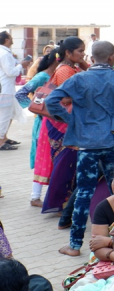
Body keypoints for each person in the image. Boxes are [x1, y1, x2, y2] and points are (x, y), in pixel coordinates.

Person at [46, 41, 114, 257]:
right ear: (112, 58)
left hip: (87, 144)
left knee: (84, 193)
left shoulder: (78, 78)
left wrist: (71, 120)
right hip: (113, 141)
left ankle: (74, 246)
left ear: (92, 58)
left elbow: (52, 100)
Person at [35, 37, 89, 221]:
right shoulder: (66, 70)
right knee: (65, 164)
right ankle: (60, 204)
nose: (83, 54)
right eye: (80, 51)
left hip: (66, 121)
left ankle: (66, 203)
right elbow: (65, 98)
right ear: (68, 52)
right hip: (63, 122)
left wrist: (82, 63)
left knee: (69, 163)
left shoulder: (72, 68)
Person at [15, 50, 59, 207]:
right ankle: (35, 197)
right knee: (44, 158)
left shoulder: (57, 75)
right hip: (44, 123)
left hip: (54, 122)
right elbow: (21, 94)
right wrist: (37, 110)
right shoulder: (42, 77)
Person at [0, 31, 31, 151]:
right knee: (5, 116)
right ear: (7, 40)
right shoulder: (4, 54)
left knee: (10, 113)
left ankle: (4, 137)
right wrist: (20, 65)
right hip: (5, 90)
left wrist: (19, 64)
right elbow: (10, 72)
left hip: (6, 89)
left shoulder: (3, 52)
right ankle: (1, 141)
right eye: (10, 37)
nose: (12, 39)